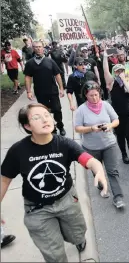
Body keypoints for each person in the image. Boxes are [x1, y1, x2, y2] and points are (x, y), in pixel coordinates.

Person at [1, 103, 108, 262]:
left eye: (47, 115)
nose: (45, 119)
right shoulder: (18, 151)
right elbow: (4, 179)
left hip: (67, 200)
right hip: (37, 209)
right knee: (54, 254)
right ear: (27, 126)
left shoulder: (64, 144)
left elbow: (89, 160)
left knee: (77, 233)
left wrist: (99, 171)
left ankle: (78, 240)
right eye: (37, 117)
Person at [75, 81, 125, 208]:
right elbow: (78, 128)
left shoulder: (106, 105)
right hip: (91, 148)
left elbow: (116, 120)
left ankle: (118, 197)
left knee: (112, 171)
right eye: (91, 95)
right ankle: (102, 185)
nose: (95, 98)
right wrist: (91, 128)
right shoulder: (81, 110)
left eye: (96, 95)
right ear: (86, 95)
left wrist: (110, 125)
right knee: (98, 171)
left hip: (109, 144)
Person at [103, 49, 129, 167]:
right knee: (120, 135)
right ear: (114, 72)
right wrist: (104, 57)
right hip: (117, 115)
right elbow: (105, 71)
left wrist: (124, 78)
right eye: (117, 71)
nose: (119, 72)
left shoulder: (127, 81)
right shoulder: (111, 82)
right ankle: (124, 154)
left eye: (121, 70)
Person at [24, 41, 66, 136]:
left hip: (52, 90)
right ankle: (52, 129)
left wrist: (61, 88)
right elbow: (27, 77)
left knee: (57, 109)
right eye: (36, 47)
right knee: (45, 112)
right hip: (40, 92)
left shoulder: (49, 61)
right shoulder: (30, 63)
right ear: (33, 49)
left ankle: (60, 126)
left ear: (43, 48)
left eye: (40, 47)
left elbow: (57, 75)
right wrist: (29, 91)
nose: (38, 48)